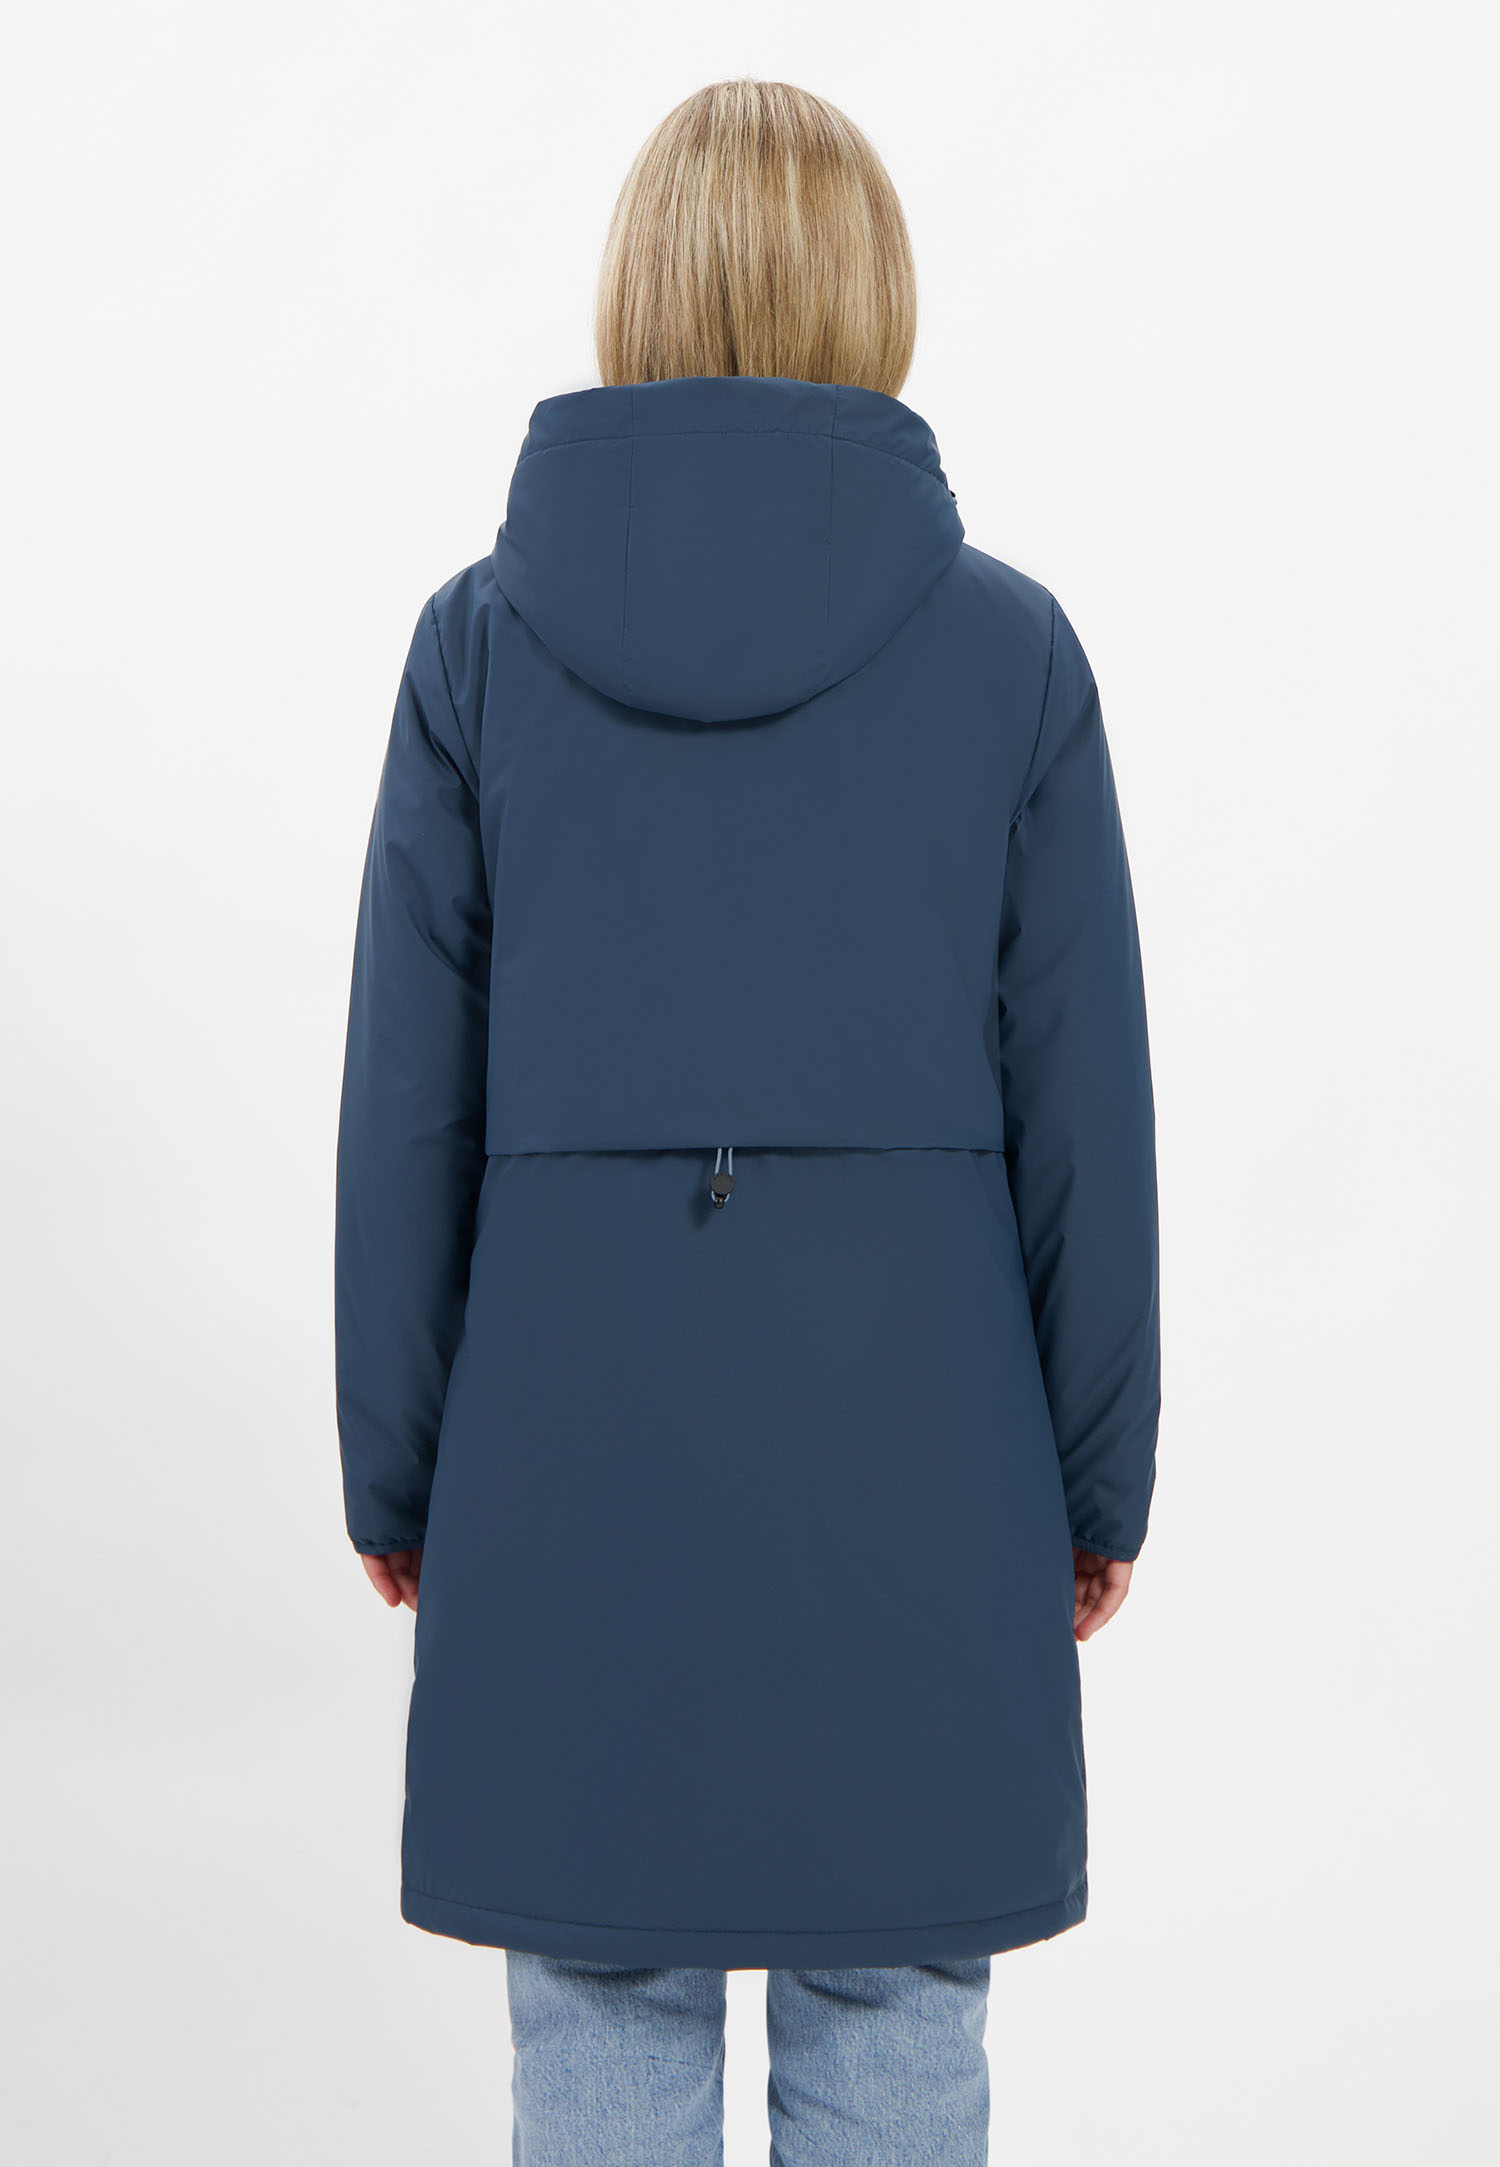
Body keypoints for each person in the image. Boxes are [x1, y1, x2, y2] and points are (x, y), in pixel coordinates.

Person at [335, 77, 1159, 2167]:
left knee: (599, 2023)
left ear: (636, 286)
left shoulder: (476, 652)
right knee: (895, 2016)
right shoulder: (1014, 658)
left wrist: (401, 1467)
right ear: (878, 292)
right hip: (924, 1484)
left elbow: (408, 1106)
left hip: (566, 1473)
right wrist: (1096, 1482)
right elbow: (1084, 1109)